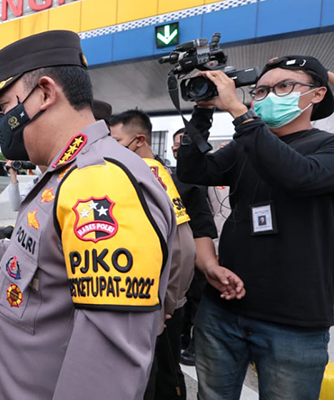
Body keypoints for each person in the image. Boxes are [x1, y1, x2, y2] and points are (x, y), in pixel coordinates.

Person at [0, 30, 176, 399]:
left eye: (8, 107)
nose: (4, 123)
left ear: (44, 93)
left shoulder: (101, 183)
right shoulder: (64, 174)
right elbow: (36, 260)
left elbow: (104, 379)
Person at [177, 55, 334, 400]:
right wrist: (203, 111)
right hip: (223, 309)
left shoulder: (326, 147)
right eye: (261, 90)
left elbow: (296, 176)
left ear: (318, 94)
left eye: (283, 86)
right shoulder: (244, 147)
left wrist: (239, 111)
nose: (268, 96)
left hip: (294, 323)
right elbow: (193, 172)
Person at [110, 110, 196, 400]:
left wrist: (169, 301)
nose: (111, 148)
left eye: (116, 140)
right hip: (151, 305)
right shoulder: (138, 171)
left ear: (138, 140)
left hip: (157, 310)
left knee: (161, 379)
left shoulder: (149, 173)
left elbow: (184, 246)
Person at [171, 129, 224, 367]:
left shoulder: (214, 174)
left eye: (183, 144)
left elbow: (220, 213)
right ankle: (184, 336)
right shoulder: (171, 177)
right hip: (184, 250)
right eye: (176, 146)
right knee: (187, 296)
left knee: (201, 299)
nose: (178, 150)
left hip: (207, 247)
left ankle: (197, 344)